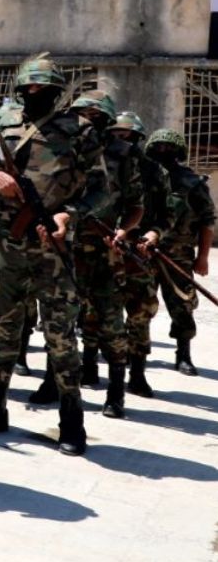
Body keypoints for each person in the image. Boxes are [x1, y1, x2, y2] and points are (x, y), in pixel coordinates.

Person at [0, 58, 107, 456]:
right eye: (28, 89)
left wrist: (68, 215)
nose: (33, 95)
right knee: (1, 330)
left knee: (60, 335)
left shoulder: (80, 132)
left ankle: (71, 418)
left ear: (58, 93)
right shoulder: (1, 126)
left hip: (52, 249)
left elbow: (100, 190)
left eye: (43, 90)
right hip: (5, 246)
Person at [57, 91, 141, 417]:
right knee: (62, 320)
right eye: (82, 114)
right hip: (67, 245)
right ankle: (60, 382)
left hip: (107, 249)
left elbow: (135, 203)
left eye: (95, 116)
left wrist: (125, 231)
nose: (87, 121)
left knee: (109, 319)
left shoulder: (123, 154)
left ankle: (116, 389)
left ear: (106, 120)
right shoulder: (63, 146)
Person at [108, 112, 169, 396]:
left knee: (140, 312)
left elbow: (167, 214)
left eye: (127, 135)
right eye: (116, 134)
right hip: (104, 248)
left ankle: (138, 372)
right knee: (96, 311)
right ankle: (91, 366)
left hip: (139, 251)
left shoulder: (154, 172)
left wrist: (155, 233)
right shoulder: (99, 163)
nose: (121, 140)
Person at [145, 128, 213, 378]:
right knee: (141, 304)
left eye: (169, 148)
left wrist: (203, 256)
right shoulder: (143, 178)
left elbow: (207, 221)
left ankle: (183, 354)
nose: (163, 152)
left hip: (179, 255)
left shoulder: (191, 182)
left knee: (183, 305)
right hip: (144, 251)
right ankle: (137, 352)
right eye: (158, 147)